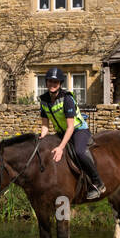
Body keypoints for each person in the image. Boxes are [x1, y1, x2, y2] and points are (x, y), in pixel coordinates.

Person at [39, 66, 106, 200]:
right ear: (46, 82)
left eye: (55, 82)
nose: (52, 84)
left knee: (80, 152)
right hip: (61, 132)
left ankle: (98, 182)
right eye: (50, 81)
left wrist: (61, 147)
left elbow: (70, 127)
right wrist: (41, 138)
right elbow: (45, 125)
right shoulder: (44, 100)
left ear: (60, 84)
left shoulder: (67, 99)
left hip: (77, 130)